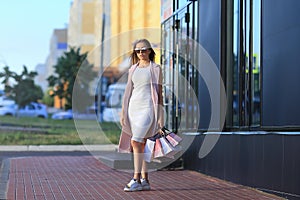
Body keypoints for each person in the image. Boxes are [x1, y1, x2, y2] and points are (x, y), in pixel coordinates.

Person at [118, 39, 164, 192]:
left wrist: (160, 117)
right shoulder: (133, 69)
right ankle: (145, 180)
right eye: (138, 51)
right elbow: (127, 92)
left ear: (150, 51)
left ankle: (135, 178)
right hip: (133, 108)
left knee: (136, 141)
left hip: (148, 108)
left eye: (144, 50)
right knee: (141, 144)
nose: (141, 53)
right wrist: (123, 112)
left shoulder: (156, 68)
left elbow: (159, 94)